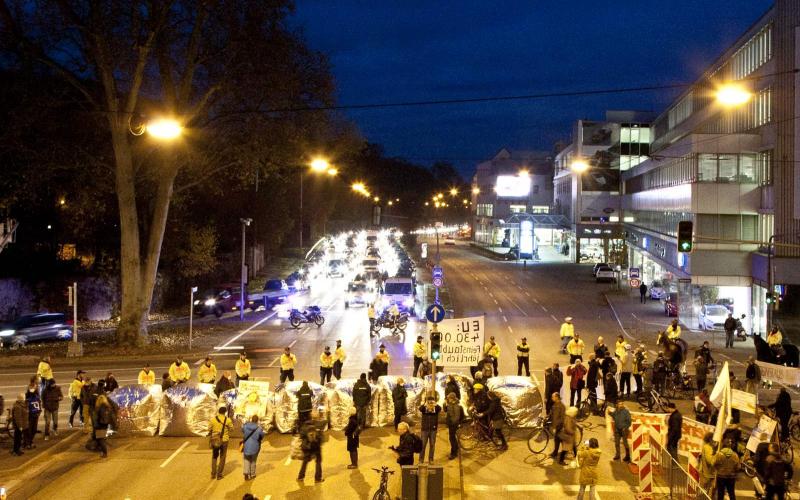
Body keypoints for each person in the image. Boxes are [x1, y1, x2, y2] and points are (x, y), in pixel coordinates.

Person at [208, 407, 233, 480]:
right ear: (225, 412)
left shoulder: (213, 420)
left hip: (215, 439)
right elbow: (231, 429)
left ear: (218, 412)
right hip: (224, 440)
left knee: (214, 456)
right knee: (222, 457)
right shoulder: (228, 420)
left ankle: (213, 474)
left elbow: (209, 429)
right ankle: (219, 475)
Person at [242, 415, 266, 480]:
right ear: (257, 420)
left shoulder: (246, 426)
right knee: (253, 460)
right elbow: (262, 435)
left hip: (246, 446)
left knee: (246, 459)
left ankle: (246, 472)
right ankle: (252, 474)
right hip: (255, 447)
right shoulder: (259, 428)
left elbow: (242, 430)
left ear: (251, 419)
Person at [419, 395, 442, 463]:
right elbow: (420, 409)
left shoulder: (436, 408)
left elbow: (440, 409)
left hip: (433, 430)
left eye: (431, 402)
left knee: (432, 445)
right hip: (424, 429)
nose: (430, 403)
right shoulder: (424, 408)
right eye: (429, 402)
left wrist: (436, 404)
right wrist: (424, 404)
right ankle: (421, 459)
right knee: (423, 445)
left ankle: (431, 459)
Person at [93, 393, 115, 458]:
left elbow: (96, 418)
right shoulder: (108, 407)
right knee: (102, 438)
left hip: (99, 425)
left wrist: (95, 425)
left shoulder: (98, 408)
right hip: (105, 424)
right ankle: (103, 452)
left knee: (101, 439)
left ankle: (105, 453)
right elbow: (111, 416)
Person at [445, 392, 464, 460]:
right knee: (452, 438)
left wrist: (452, 423)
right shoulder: (451, 404)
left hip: (453, 424)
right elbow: (448, 412)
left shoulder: (456, 406)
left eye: (449, 398)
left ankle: (454, 453)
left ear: (452, 398)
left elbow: (456, 417)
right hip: (451, 424)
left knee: (452, 439)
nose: (448, 399)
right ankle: (455, 449)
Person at [25, 378, 42, 448]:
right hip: (30, 415)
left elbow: (39, 403)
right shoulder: (28, 394)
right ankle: (28, 443)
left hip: (35, 415)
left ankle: (30, 441)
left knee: (34, 430)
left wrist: (39, 411)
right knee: (29, 429)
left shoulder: (37, 395)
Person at [549, 393, 566, 460]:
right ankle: (555, 452)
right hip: (557, 426)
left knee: (561, 440)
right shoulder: (555, 405)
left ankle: (564, 452)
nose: (552, 398)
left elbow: (562, 418)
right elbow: (552, 414)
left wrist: (555, 427)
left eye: (553, 397)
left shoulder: (562, 406)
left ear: (557, 397)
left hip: (560, 426)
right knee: (557, 440)